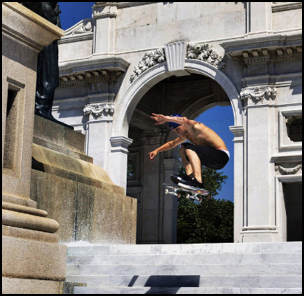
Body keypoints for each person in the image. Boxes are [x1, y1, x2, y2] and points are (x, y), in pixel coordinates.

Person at [149, 113, 230, 190]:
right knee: (183, 147)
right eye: (175, 131)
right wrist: (157, 150)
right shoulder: (186, 135)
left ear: (183, 125)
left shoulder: (195, 126)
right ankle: (190, 178)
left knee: (189, 148)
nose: (177, 132)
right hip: (213, 161)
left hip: (221, 155)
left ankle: (197, 181)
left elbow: (184, 119)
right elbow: (172, 144)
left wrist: (167, 118)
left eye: (177, 129)